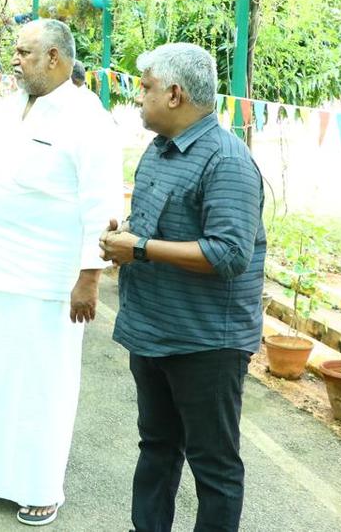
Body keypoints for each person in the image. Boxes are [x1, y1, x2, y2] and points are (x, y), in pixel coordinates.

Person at [0, 19, 121, 526]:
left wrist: (89, 276)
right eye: (15, 52)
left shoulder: (88, 119)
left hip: (48, 278)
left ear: (56, 58)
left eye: (25, 52)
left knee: (41, 384)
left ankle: (41, 484)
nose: (15, 60)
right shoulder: (4, 112)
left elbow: (101, 203)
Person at [100, 43, 265, 532]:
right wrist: (125, 237)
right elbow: (159, 230)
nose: (138, 98)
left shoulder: (226, 159)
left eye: (145, 88)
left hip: (205, 343)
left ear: (174, 94)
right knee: (157, 447)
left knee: (212, 465)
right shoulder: (158, 151)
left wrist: (141, 248)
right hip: (152, 330)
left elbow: (229, 253)